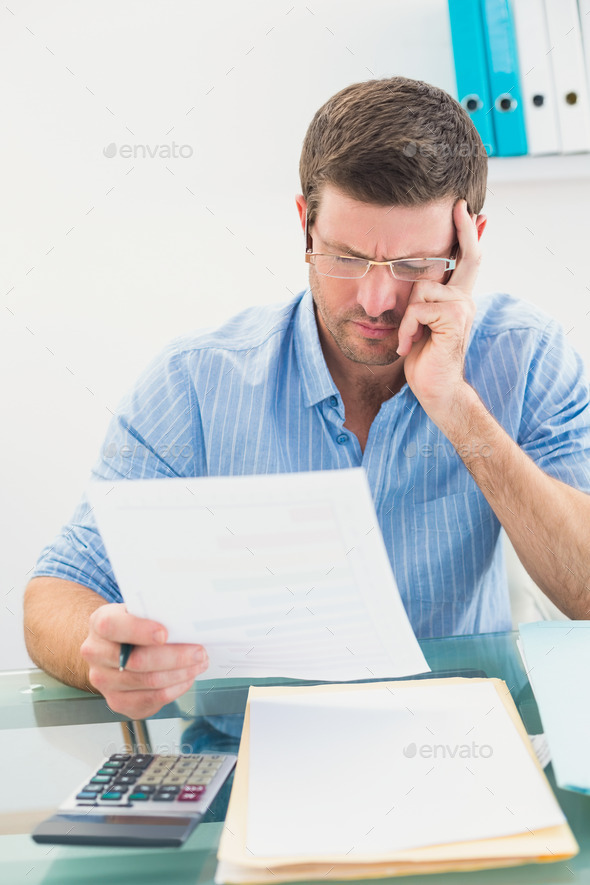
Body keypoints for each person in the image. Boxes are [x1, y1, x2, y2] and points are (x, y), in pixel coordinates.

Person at [24, 76, 590, 728]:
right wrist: (103, 648)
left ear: (468, 247)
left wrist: (455, 404)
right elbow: (58, 587)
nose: (377, 301)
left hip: (458, 750)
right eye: (346, 258)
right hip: (252, 760)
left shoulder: (526, 356)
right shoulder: (197, 382)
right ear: (304, 226)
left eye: (412, 265)